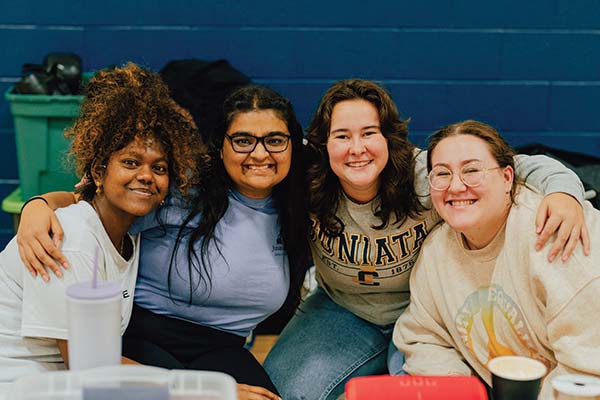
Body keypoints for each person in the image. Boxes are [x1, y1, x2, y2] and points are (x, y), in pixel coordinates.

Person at [263, 79, 590, 400]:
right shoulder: (306, 182)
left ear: (389, 138)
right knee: (280, 389)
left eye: (369, 133)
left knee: (429, 391)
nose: (357, 148)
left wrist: (564, 193)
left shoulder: (429, 174)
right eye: (342, 136)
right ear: (324, 144)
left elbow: (519, 165)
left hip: (423, 310)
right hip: (343, 307)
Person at [15, 84, 310, 400]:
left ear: (293, 144)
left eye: (275, 141)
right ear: (221, 147)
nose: (260, 153)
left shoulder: (302, 203)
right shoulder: (183, 191)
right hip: (144, 335)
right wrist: (37, 205)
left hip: (223, 345)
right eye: (243, 141)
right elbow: (90, 202)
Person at [0, 63, 202, 387]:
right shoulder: (71, 241)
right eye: (130, 162)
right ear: (98, 172)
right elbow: (88, 368)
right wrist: (205, 389)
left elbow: (73, 198)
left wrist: (39, 202)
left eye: (159, 167)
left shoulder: (125, 234)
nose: (146, 175)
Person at [393, 120, 600, 399]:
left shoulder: (555, 233)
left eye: (472, 171)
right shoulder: (436, 252)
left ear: (507, 178)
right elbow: (423, 336)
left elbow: (587, 373)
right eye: (442, 174)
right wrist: (459, 390)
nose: (456, 186)